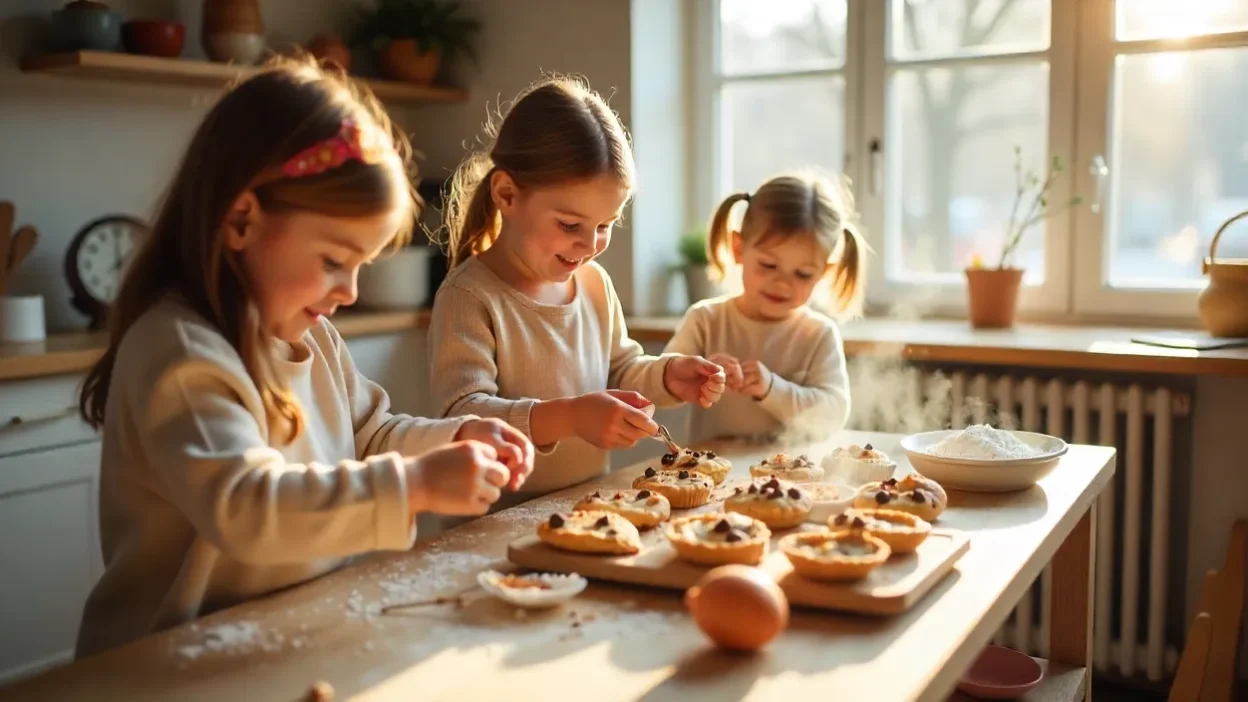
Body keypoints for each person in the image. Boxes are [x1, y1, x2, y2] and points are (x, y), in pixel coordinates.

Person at [73, 57, 533, 658]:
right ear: (241, 220)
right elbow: (247, 507)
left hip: (278, 637)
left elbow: (371, 433)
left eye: (361, 266)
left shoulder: (310, 338)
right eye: (333, 261)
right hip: (164, 667)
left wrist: (454, 437)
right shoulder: (180, 353)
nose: (350, 292)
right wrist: (414, 484)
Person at [428, 75, 726, 501]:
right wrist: (571, 416)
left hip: (584, 511)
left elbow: (621, 370)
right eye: (570, 225)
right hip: (494, 528)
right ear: (507, 194)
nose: (589, 246)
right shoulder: (469, 297)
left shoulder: (593, 284)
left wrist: (666, 376)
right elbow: (462, 415)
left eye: (604, 225)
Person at [664, 172, 866, 445]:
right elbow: (658, 389)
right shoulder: (705, 321)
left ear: (824, 273)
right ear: (738, 249)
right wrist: (697, 375)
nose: (783, 283)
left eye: (803, 274)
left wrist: (772, 389)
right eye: (768, 266)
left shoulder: (819, 334)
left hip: (795, 481)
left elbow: (831, 415)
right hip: (712, 476)